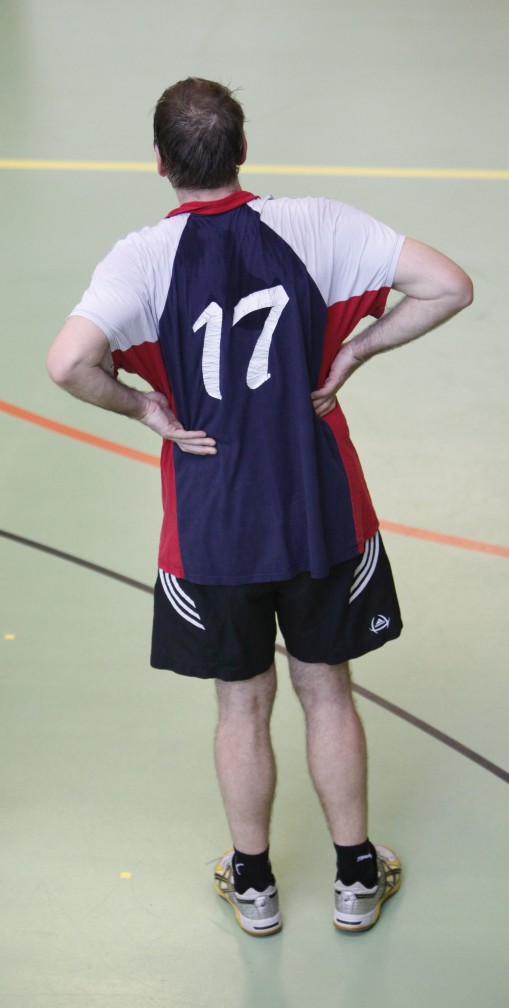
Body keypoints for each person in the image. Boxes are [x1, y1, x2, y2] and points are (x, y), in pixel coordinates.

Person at [47, 77, 473, 938]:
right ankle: (356, 877)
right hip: (321, 510)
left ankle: (253, 885)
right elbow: (448, 286)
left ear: (160, 163)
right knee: (327, 690)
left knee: (240, 703)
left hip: (212, 527)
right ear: (242, 150)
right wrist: (357, 349)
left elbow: (67, 364)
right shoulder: (317, 226)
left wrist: (143, 408)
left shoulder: (140, 260)